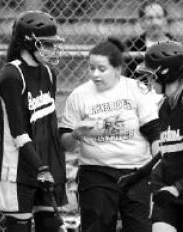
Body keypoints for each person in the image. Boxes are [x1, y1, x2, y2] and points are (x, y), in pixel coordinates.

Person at [59, 37, 161, 232]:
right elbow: (66, 144)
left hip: (137, 171)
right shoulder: (79, 96)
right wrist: (76, 135)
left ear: (118, 69)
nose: (95, 74)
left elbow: (154, 133)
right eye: (91, 68)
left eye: (102, 69)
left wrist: (155, 170)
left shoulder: (135, 89)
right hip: (97, 172)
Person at [118, 41, 183, 232]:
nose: (148, 81)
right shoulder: (165, 106)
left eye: (151, 75)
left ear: (167, 74)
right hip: (167, 193)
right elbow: (166, 151)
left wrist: (178, 188)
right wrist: (138, 175)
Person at [0, 11, 67, 232]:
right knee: (19, 226)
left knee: (50, 225)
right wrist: (40, 168)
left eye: (53, 44)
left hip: (44, 164)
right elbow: (18, 132)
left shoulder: (49, 73)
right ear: (28, 43)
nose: (52, 50)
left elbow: (47, 124)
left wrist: (53, 166)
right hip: (19, 168)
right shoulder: (11, 77)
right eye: (46, 44)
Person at [124, 0, 174, 79]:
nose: (155, 22)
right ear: (141, 22)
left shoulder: (180, 46)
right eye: (150, 18)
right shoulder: (130, 46)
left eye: (159, 17)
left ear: (165, 20)